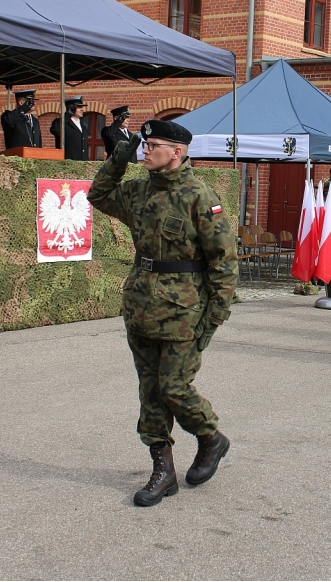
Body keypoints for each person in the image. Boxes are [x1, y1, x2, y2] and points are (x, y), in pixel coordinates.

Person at [87, 118, 238, 507]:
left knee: (174, 388)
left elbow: (223, 262)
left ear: (177, 151)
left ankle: (210, 438)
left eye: (153, 145)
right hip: (141, 304)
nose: (145, 150)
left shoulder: (200, 197)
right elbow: (98, 195)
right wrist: (118, 158)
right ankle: (162, 470)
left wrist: (214, 318)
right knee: (150, 392)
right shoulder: (138, 190)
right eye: (144, 144)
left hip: (184, 309)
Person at [50, 95, 91, 161]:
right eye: (79, 107)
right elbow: (55, 129)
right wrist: (67, 115)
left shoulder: (83, 126)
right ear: (72, 108)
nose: (82, 109)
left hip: (82, 164)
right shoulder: (63, 123)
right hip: (68, 163)